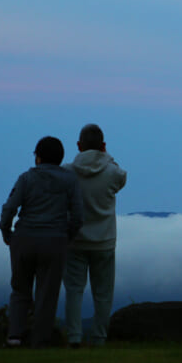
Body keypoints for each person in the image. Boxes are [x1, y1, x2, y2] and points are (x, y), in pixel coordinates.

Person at [0, 136, 83, 347]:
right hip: (55, 240)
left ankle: (15, 336)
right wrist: (67, 237)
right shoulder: (70, 180)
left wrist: (6, 232)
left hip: (24, 238)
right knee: (47, 293)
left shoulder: (26, 178)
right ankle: (40, 340)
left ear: (38, 157)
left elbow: (10, 208)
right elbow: (78, 216)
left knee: (20, 289)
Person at [63, 123, 127, 347]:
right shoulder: (113, 172)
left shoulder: (67, 172)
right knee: (103, 294)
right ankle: (99, 338)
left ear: (79, 146)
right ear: (103, 146)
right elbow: (121, 176)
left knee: (74, 291)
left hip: (74, 240)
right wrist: (106, 156)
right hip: (104, 241)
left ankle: (74, 337)